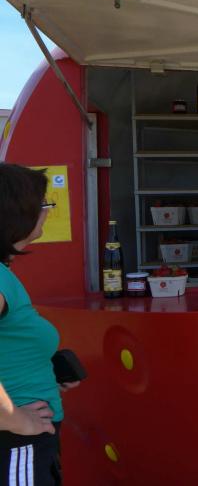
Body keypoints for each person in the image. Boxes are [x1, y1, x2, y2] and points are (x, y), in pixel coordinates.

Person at [0, 163, 80, 485]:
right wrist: (14, 418)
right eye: (44, 204)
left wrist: (45, 375)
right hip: (15, 441)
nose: (47, 212)